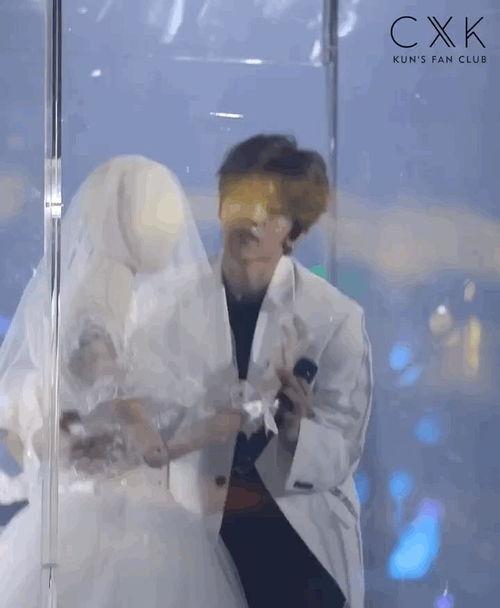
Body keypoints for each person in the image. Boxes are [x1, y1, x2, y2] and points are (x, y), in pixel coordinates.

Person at [0, 156, 246, 608]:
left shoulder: (106, 287)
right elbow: (99, 364)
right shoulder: (104, 288)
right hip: (119, 516)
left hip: (100, 504)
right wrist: (145, 423)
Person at [169, 134, 373, 608]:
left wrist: (297, 432)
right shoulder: (170, 304)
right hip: (193, 533)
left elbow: (344, 448)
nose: (253, 217)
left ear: (294, 231)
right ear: (222, 205)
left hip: (293, 538)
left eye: (274, 209)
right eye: (243, 199)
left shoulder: (335, 317)